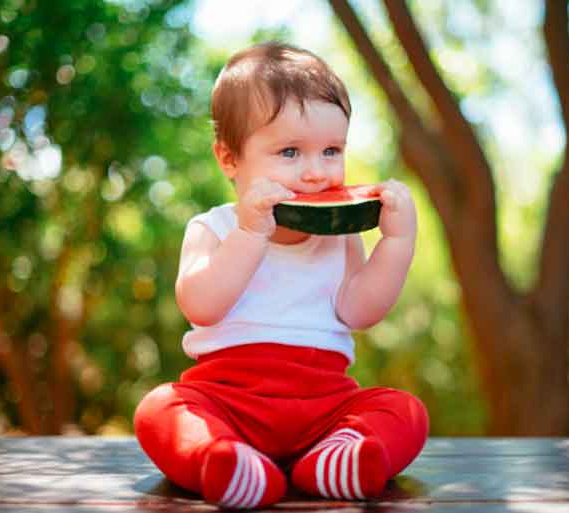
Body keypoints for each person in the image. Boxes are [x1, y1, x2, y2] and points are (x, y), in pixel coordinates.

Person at [134, 41, 428, 509]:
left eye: (332, 150)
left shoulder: (338, 236)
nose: (315, 173)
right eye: (290, 152)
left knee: (405, 410)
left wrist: (397, 244)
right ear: (229, 159)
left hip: (325, 408)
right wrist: (251, 234)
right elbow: (201, 305)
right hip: (228, 402)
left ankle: (334, 459)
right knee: (158, 410)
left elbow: (360, 311)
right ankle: (228, 459)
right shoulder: (213, 228)